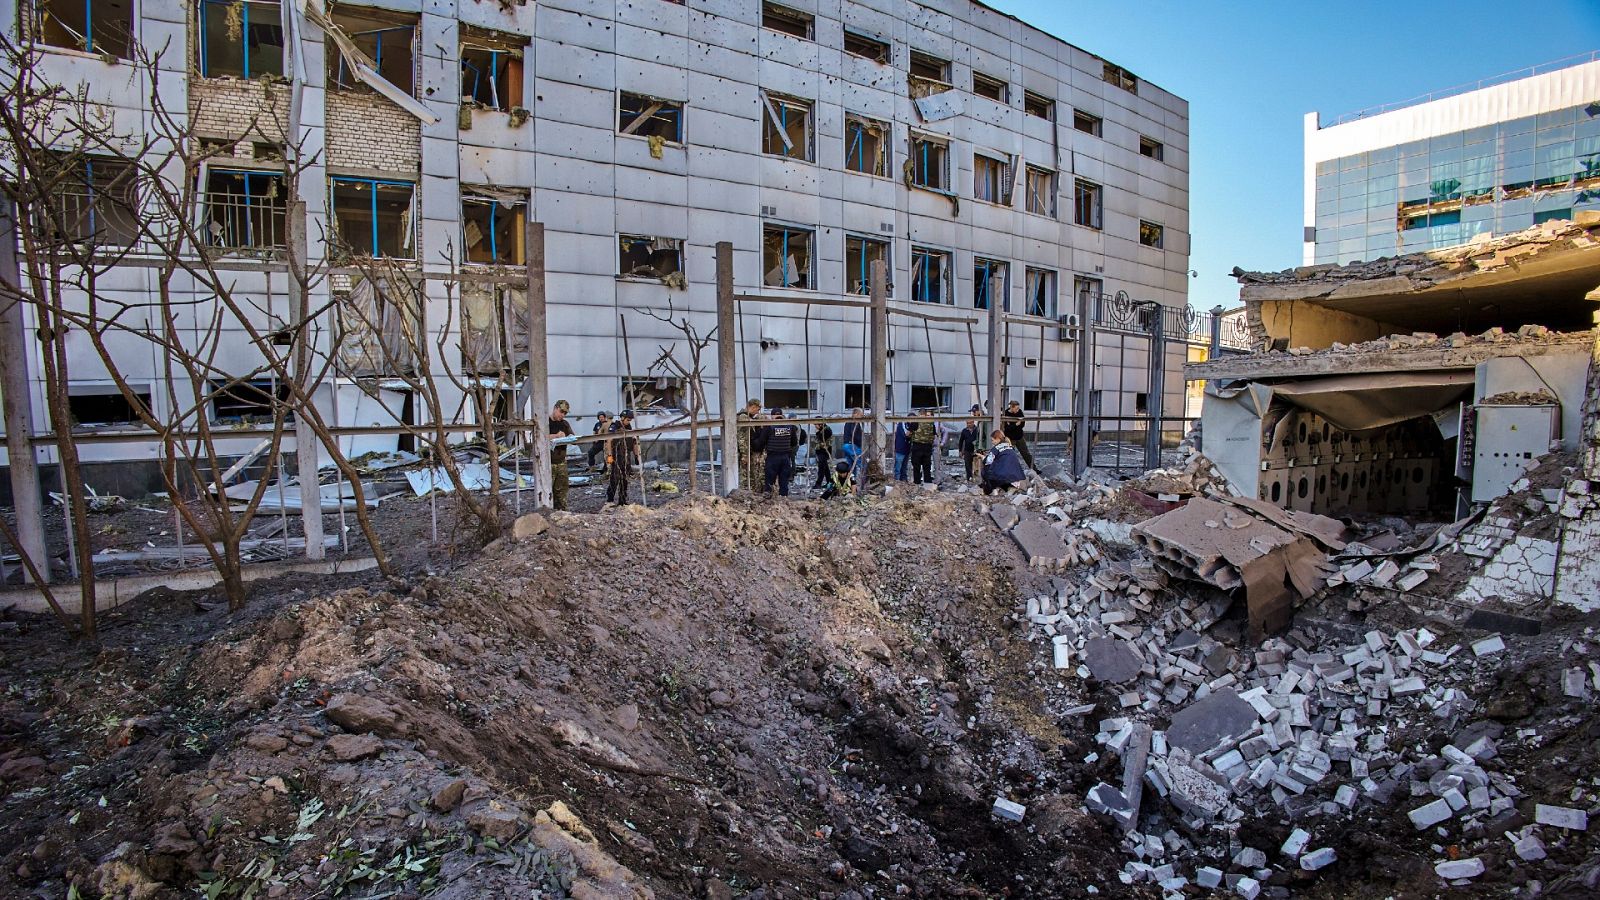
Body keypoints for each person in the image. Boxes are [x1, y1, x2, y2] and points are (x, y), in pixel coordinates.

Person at [753, 408, 801, 496]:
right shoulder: (790, 426)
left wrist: (755, 437)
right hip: (785, 458)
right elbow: (794, 442)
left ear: (772, 416)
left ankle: (769, 500)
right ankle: (784, 500)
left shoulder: (769, 426)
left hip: (772, 458)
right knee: (784, 483)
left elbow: (761, 443)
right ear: (782, 415)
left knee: (769, 483)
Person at [606, 409, 640, 505]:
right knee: (615, 478)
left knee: (624, 479)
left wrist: (636, 456)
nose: (629, 422)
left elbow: (634, 442)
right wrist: (609, 456)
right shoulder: (614, 426)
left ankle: (622, 500)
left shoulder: (628, 427)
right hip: (616, 456)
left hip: (626, 456)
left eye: (630, 420)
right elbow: (608, 440)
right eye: (628, 420)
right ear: (622, 418)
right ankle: (610, 499)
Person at [981, 428, 1027, 495]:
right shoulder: (1010, 447)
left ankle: (992, 490)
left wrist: (983, 458)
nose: (992, 442)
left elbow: (988, 461)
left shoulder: (996, 448)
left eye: (992, 440)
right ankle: (1010, 488)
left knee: (985, 470)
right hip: (1016, 477)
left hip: (1003, 476)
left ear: (998, 439)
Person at [548, 400, 576, 510]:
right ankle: (548, 510)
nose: (562, 415)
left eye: (565, 413)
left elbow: (573, 437)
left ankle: (562, 510)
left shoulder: (564, 424)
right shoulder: (546, 422)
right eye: (561, 412)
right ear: (555, 408)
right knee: (548, 489)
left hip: (561, 462)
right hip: (548, 463)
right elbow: (539, 437)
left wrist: (568, 437)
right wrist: (555, 436)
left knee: (562, 489)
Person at [737, 399, 763, 492]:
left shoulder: (748, 417)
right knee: (746, 475)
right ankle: (746, 492)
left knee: (750, 474)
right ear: (753, 407)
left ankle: (749, 491)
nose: (758, 412)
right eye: (757, 409)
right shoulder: (743, 417)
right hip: (745, 451)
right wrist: (745, 454)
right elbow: (742, 437)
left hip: (748, 451)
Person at [1002, 399, 1034, 470]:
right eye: (1016, 408)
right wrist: (1016, 425)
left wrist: (1013, 426)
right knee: (1010, 455)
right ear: (1011, 407)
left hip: (1019, 437)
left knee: (1026, 454)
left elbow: (1022, 424)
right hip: (1010, 438)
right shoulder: (1006, 414)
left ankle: (1034, 468)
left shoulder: (1019, 412)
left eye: (1018, 408)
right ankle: (1010, 470)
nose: (1017, 410)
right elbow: (1006, 428)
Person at [841, 408, 866, 492]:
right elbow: (854, 434)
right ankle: (864, 485)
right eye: (861, 415)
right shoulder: (853, 422)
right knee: (863, 464)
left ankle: (851, 487)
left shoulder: (849, 422)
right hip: (851, 446)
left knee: (851, 468)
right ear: (855, 414)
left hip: (847, 445)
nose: (862, 417)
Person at [910, 414, 937, 485]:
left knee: (916, 467)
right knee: (927, 467)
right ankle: (927, 483)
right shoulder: (931, 423)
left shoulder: (915, 422)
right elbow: (934, 436)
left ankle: (917, 483)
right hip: (928, 447)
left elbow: (909, 433)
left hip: (917, 447)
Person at [811, 420, 834, 490]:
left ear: (820, 424)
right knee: (825, 468)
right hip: (821, 451)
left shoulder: (826, 430)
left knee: (821, 468)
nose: (815, 427)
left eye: (816, 425)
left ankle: (818, 484)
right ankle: (829, 482)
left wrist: (817, 432)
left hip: (824, 451)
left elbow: (821, 439)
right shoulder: (824, 429)